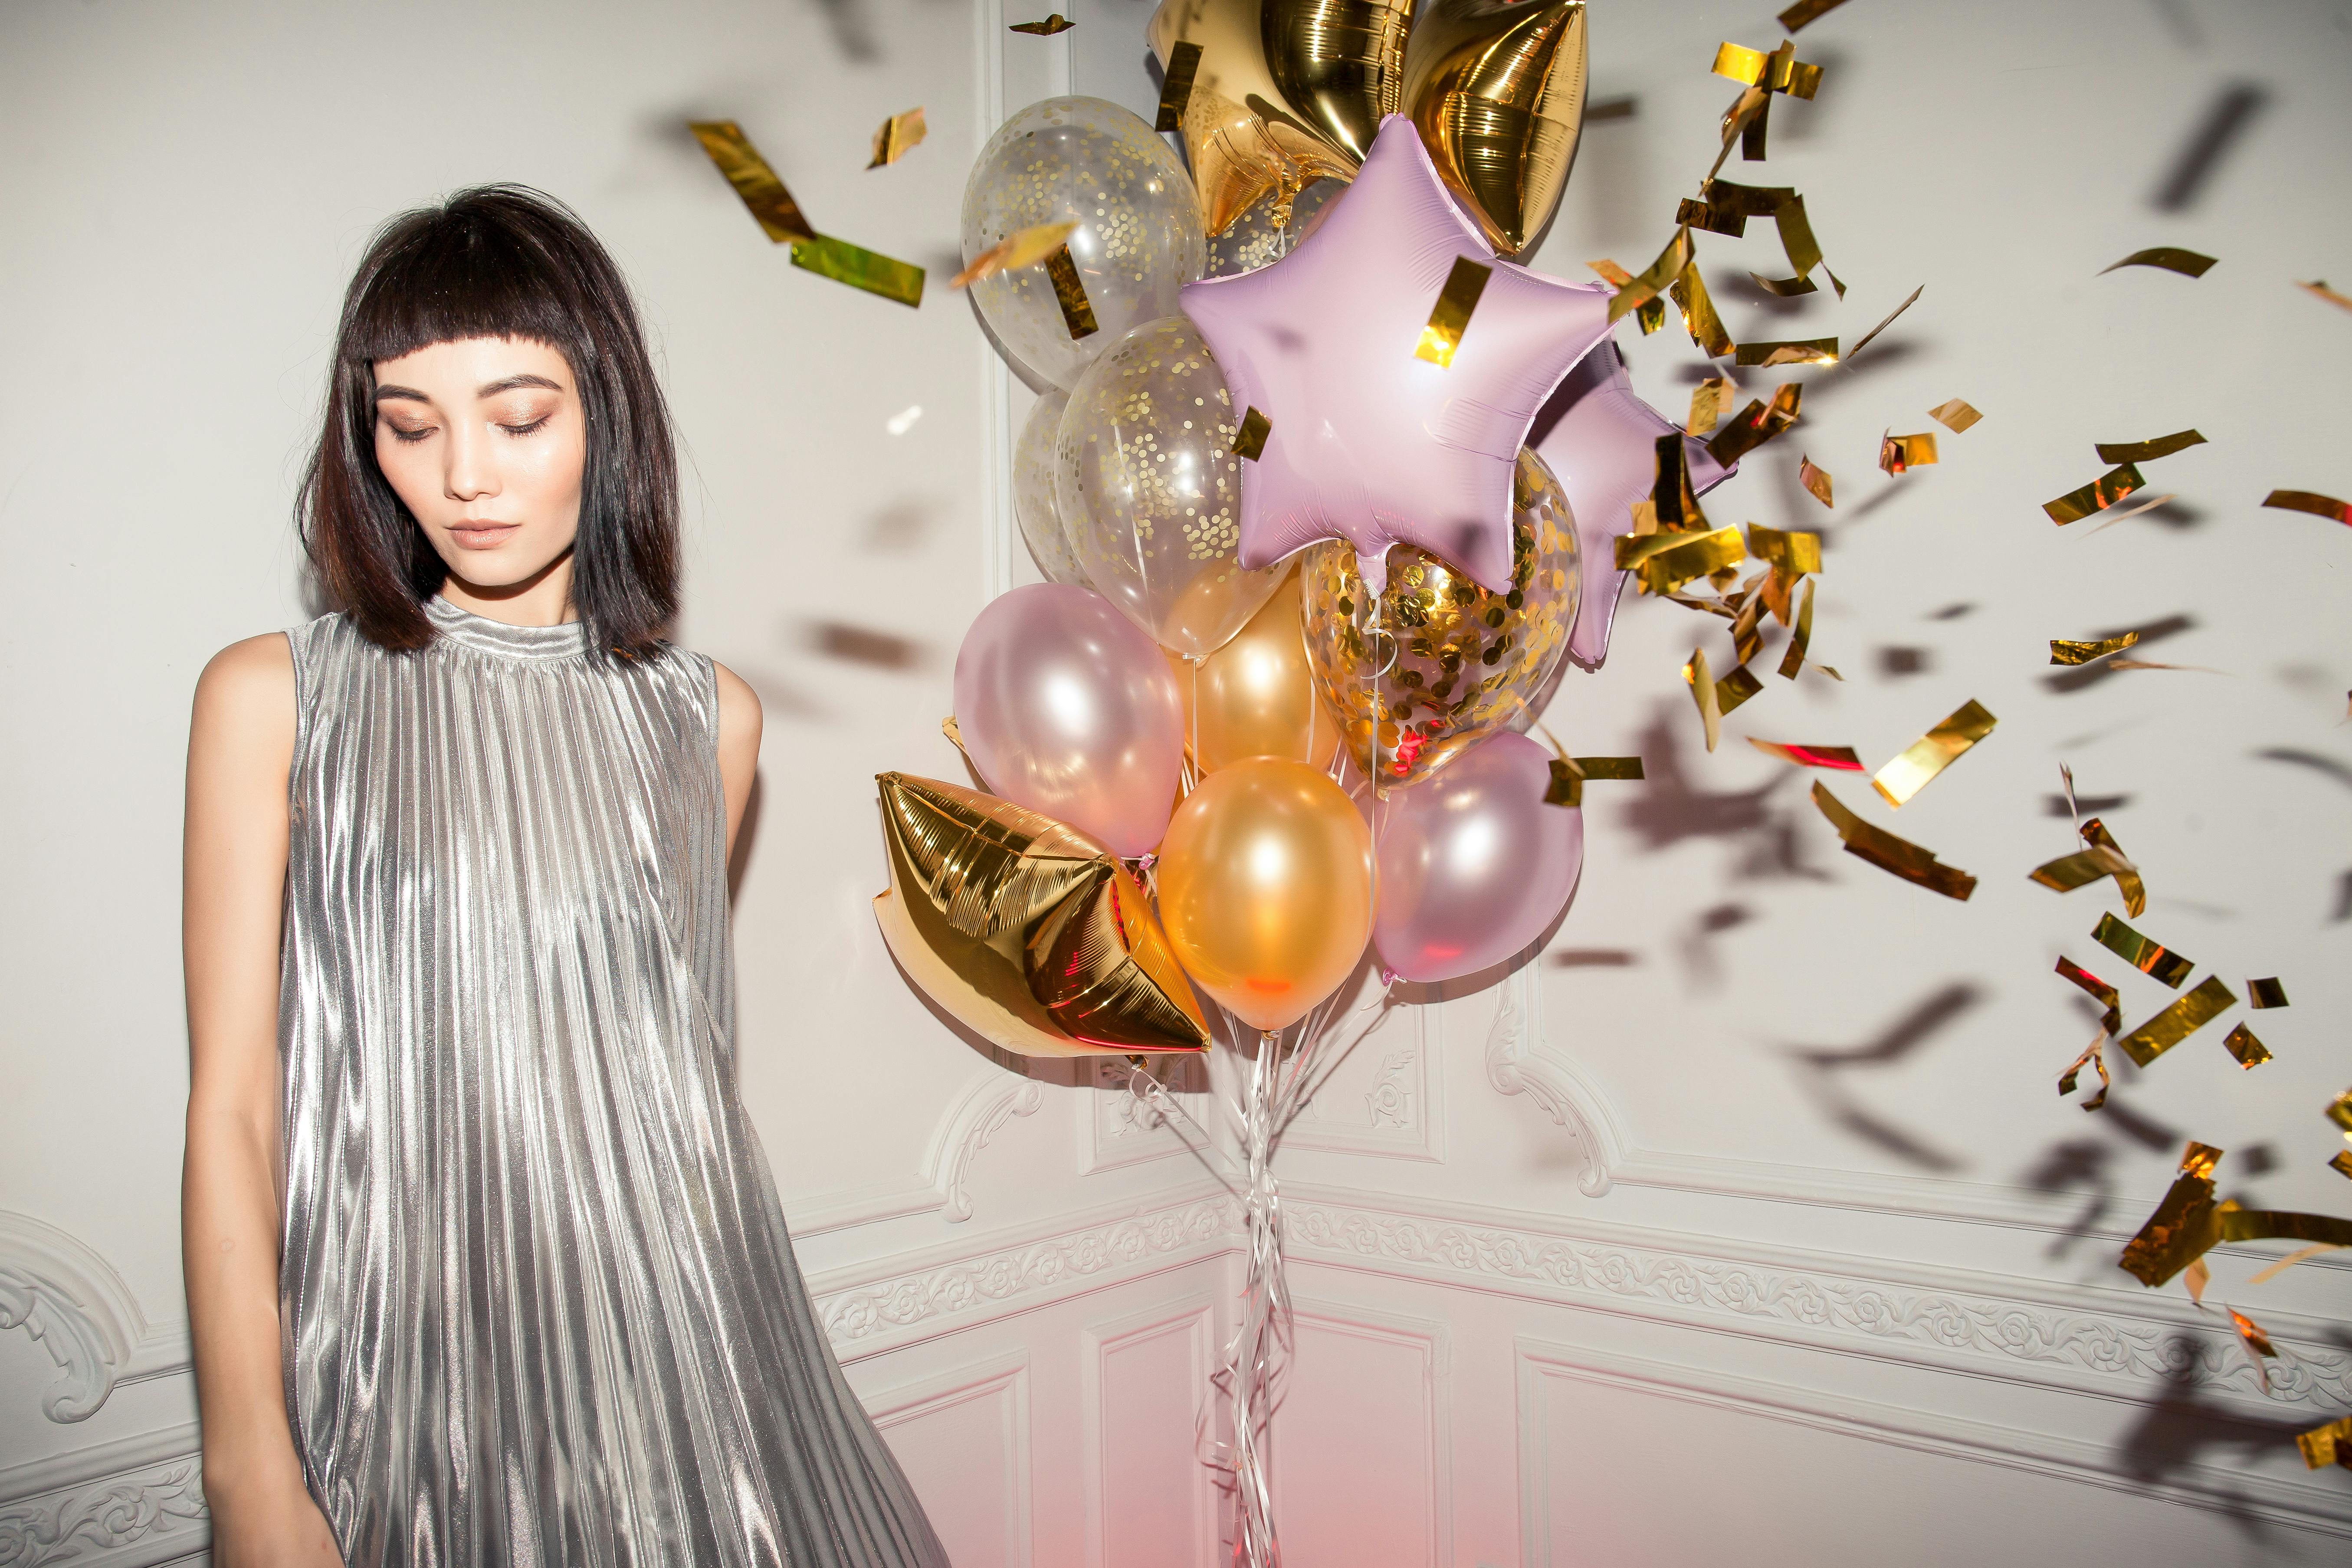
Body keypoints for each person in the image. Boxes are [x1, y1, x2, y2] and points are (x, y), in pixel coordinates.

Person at [181, 186, 949, 1568]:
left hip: (699, 1388)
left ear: (606, 417)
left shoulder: (710, 722)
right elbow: (235, 1106)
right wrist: (249, 1479)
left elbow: (666, 1091)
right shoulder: (274, 699)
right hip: (405, 1403)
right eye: (409, 427)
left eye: (518, 418)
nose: (462, 474)